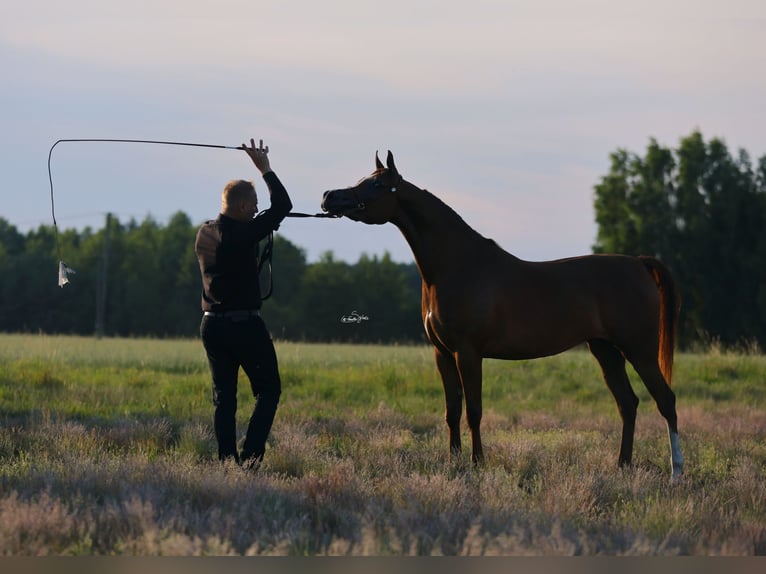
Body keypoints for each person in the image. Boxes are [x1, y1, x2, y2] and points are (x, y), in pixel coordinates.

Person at [195, 138, 293, 469]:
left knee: (224, 399)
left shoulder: (204, 233)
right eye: (252, 206)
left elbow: (266, 216)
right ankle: (250, 459)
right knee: (268, 392)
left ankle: (227, 463)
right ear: (240, 208)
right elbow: (282, 207)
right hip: (244, 326)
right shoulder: (242, 234)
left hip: (211, 325)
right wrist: (264, 169)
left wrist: (259, 224)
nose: (256, 211)